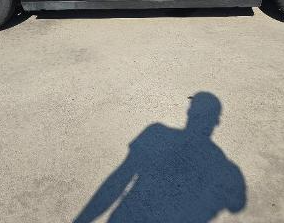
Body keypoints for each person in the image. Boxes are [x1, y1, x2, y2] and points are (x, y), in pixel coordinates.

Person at [73, 92, 246, 223]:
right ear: (216, 121)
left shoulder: (156, 132)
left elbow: (120, 178)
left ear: (189, 112)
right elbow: (236, 204)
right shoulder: (219, 161)